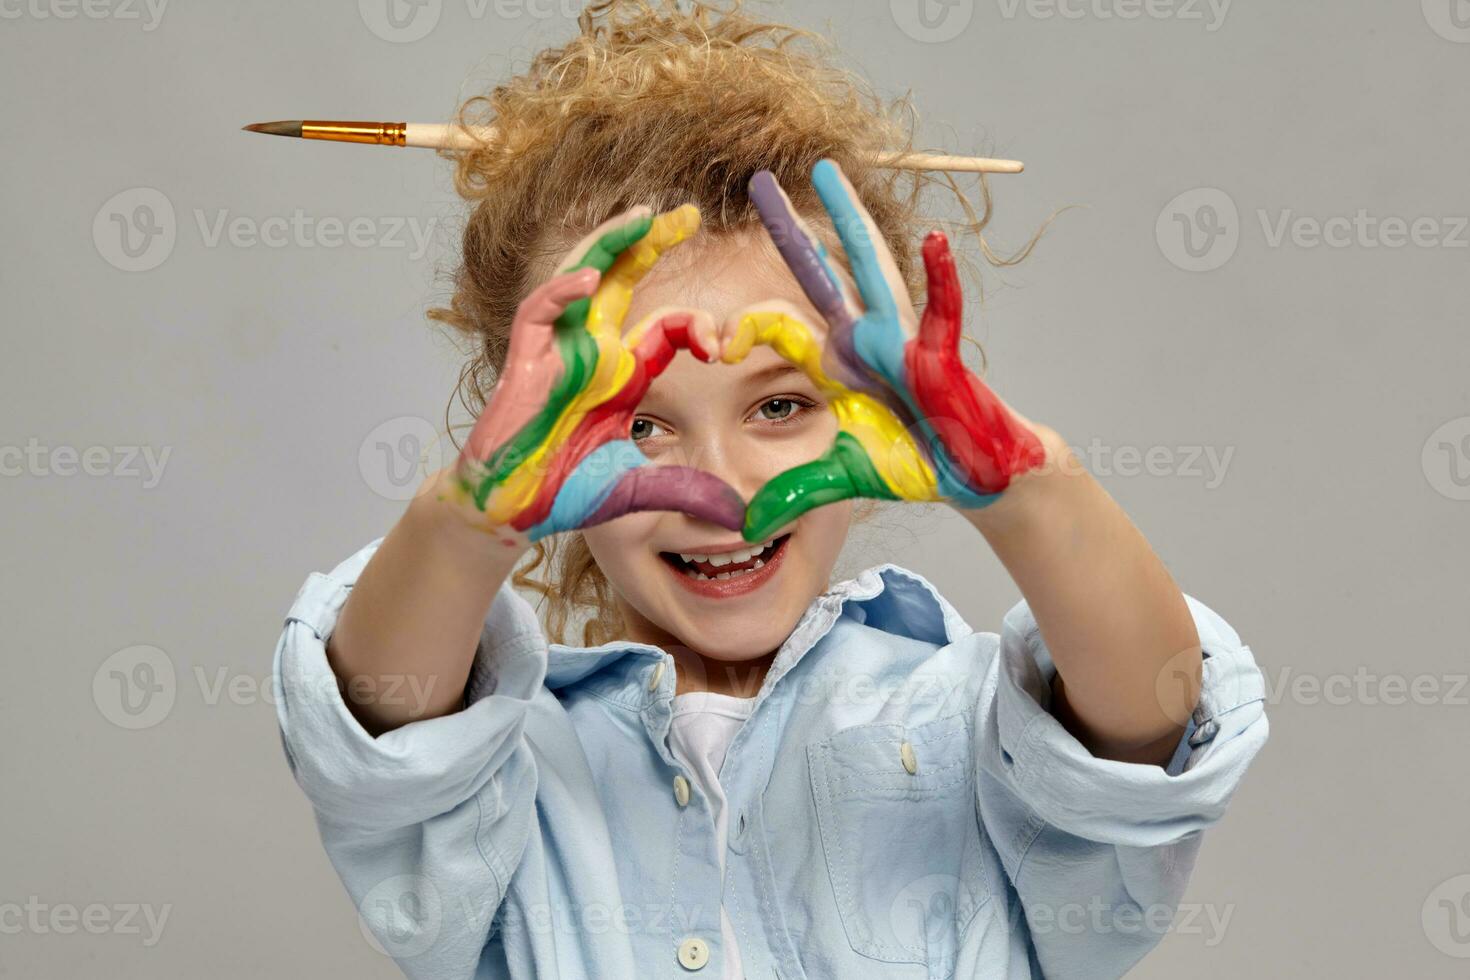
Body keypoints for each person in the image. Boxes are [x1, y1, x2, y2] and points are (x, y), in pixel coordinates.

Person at [272, 2, 1268, 977]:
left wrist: (1023, 485)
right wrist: (468, 517)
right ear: (526, 425)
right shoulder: (510, 779)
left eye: (782, 406)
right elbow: (374, 749)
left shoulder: (966, 726)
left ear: (876, 409)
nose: (720, 483)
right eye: (641, 421)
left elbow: (1151, 735)